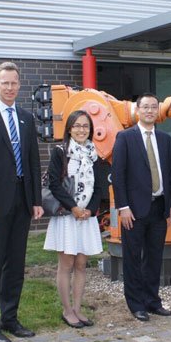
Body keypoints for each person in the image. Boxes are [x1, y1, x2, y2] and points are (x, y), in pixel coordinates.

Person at [0, 62, 43, 342]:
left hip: (22, 201)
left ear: (19, 84)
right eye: (5, 83)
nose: (10, 87)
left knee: (16, 264)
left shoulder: (26, 118)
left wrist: (36, 199)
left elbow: (33, 161)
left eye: (14, 83)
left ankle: (10, 318)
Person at [112, 93, 171, 322]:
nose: (150, 111)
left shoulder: (165, 139)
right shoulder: (125, 138)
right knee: (133, 257)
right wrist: (123, 207)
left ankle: (152, 301)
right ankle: (136, 304)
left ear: (158, 111)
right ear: (137, 110)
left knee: (154, 257)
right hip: (133, 210)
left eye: (153, 107)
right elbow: (118, 175)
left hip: (159, 207)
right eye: (145, 107)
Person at [43, 110, 104, 328]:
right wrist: (74, 208)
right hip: (67, 216)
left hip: (86, 217)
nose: (81, 130)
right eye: (77, 126)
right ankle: (67, 310)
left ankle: (78, 309)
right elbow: (54, 184)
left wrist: (90, 210)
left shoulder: (94, 154)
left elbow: (99, 187)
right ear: (69, 129)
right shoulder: (60, 152)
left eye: (85, 126)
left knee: (81, 264)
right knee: (66, 263)